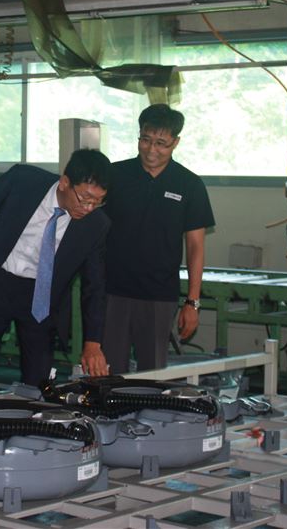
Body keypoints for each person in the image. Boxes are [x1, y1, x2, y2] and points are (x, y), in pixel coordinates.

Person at [0, 149, 111, 395]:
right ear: (64, 182)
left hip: (41, 295)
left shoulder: (97, 225)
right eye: (84, 198)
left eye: (97, 201)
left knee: (38, 378)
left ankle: (32, 418)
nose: (88, 208)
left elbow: (95, 286)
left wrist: (92, 342)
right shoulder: (23, 180)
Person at [101, 104, 215, 373]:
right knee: (108, 373)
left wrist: (192, 302)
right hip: (113, 291)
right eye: (146, 140)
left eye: (161, 143)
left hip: (159, 294)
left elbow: (195, 246)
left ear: (176, 142)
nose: (151, 149)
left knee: (152, 374)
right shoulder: (115, 176)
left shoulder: (189, 184)